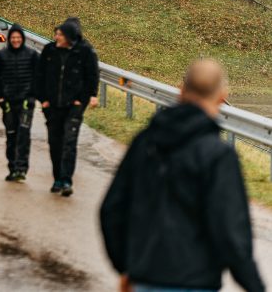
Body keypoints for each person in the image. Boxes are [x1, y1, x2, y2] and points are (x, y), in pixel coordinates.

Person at [100, 59, 264, 292]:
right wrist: (254, 286)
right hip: (194, 282)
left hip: (145, 278)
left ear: (181, 89)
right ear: (221, 97)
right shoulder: (218, 155)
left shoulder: (145, 142)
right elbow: (231, 232)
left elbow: (112, 209)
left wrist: (128, 268)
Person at [34, 17, 99, 197]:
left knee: (69, 143)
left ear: (69, 37)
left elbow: (92, 76)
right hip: (52, 105)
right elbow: (39, 76)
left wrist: (84, 98)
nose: (56, 37)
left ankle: (67, 180)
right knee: (55, 143)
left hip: (74, 106)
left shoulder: (85, 52)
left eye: (60, 35)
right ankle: (57, 178)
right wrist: (43, 100)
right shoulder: (49, 51)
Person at [0, 24, 38, 182]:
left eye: (18, 38)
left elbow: (39, 77)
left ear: (22, 38)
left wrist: (32, 97)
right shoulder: (2, 55)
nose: (16, 40)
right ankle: (12, 168)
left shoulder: (32, 55)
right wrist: (0, 97)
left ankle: (22, 169)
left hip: (26, 103)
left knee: (24, 136)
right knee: (11, 136)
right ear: (9, 39)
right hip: (8, 104)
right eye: (13, 38)